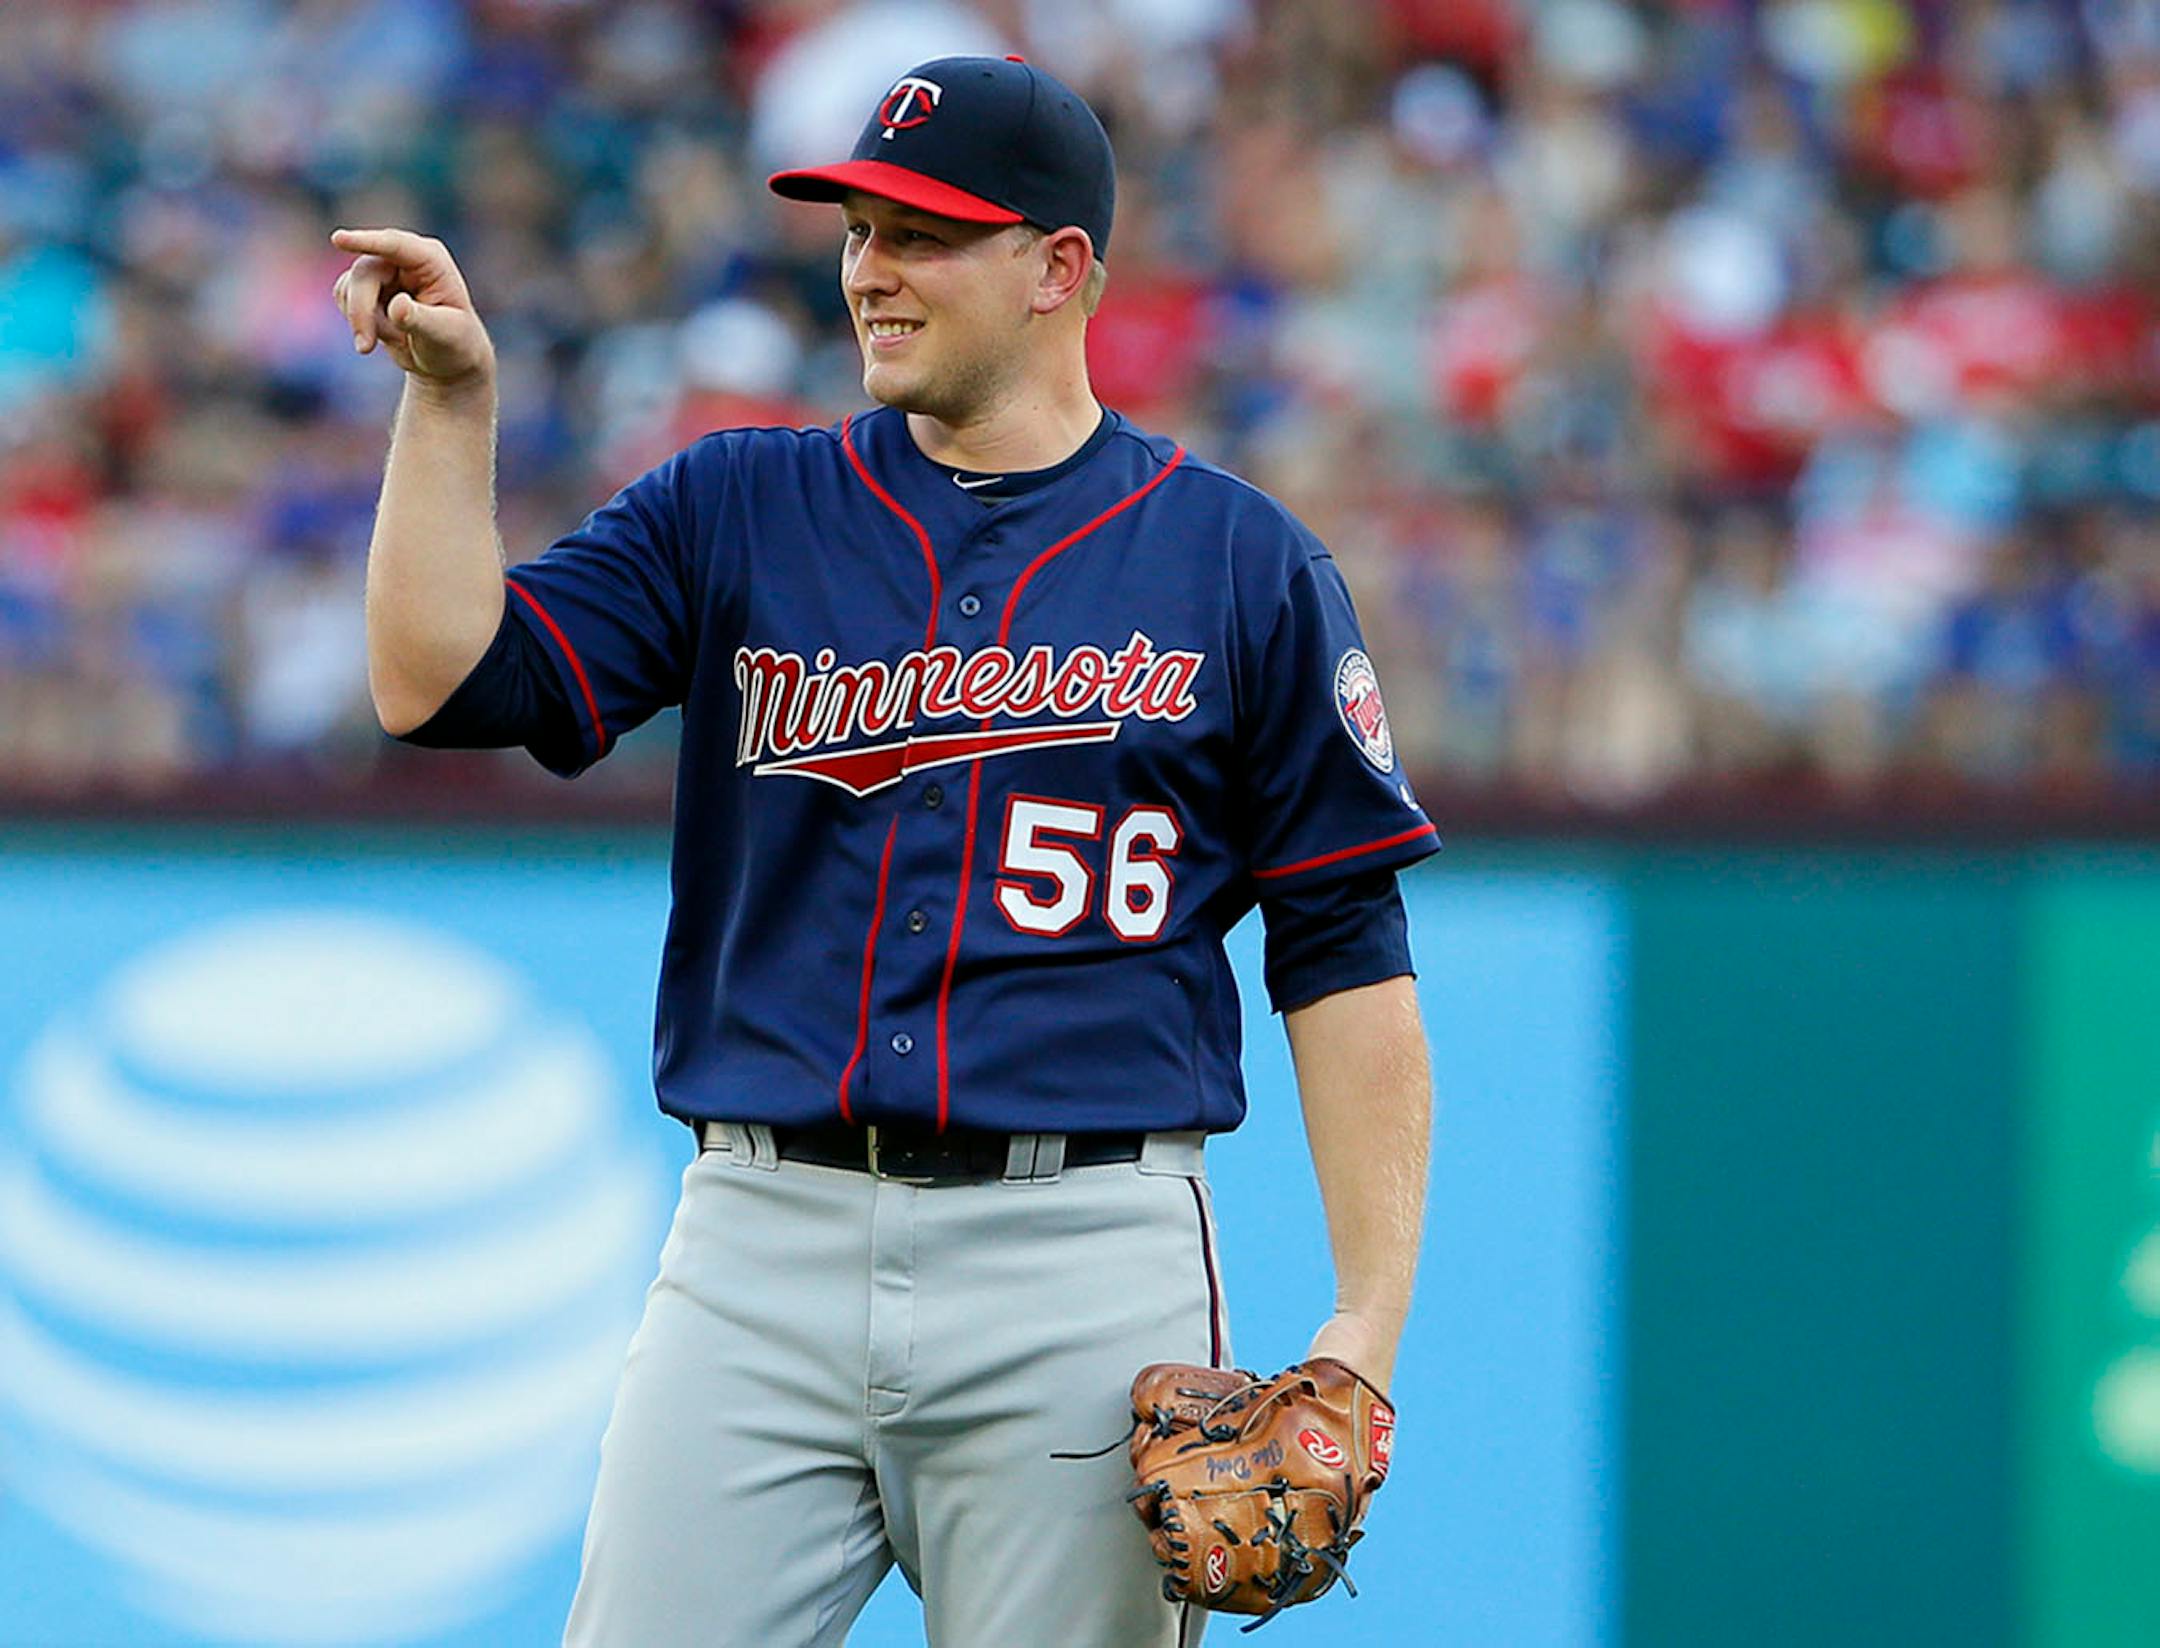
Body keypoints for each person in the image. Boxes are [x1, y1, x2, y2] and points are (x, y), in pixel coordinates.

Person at [331, 53, 1435, 1648]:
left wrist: (1366, 1325)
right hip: (757, 1245)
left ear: (1060, 269)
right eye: (859, 227)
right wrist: (451, 405)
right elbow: (440, 678)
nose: (869, 268)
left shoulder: (1240, 565)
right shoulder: (741, 505)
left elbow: (1345, 956)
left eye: (923, 232)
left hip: (1080, 1258)